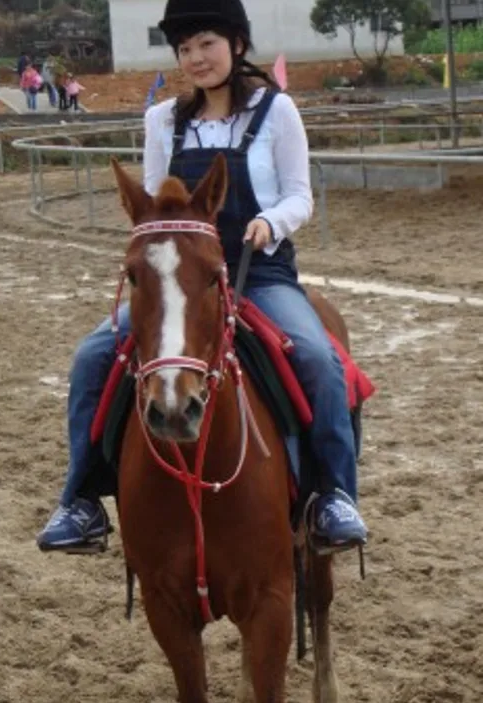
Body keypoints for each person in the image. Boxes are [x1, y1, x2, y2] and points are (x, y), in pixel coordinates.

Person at [36, 0, 368, 555]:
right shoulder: (162, 120)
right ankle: (82, 500)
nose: (196, 58)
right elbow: (153, 209)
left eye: (207, 43)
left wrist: (270, 222)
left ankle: (334, 496)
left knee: (318, 357)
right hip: (181, 286)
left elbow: (300, 196)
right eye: (185, 48)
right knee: (92, 356)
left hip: (259, 274)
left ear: (236, 44)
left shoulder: (277, 111)